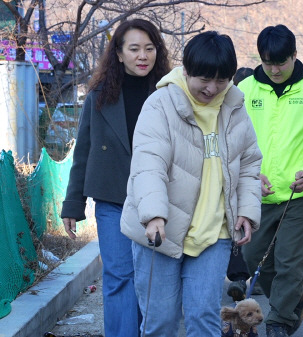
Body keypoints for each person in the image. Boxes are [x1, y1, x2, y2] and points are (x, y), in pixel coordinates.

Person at [119, 31, 262, 336]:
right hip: (161, 232)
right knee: (160, 322)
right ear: (185, 71)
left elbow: (250, 163)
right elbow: (148, 164)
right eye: (204, 80)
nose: (212, 89)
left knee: (203, 318)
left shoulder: (235, 107)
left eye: (221, 81)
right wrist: (154, 214)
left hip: (214, 234)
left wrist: (247, 211)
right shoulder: (160, 105)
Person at [61, 18, 170, 337]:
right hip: (113, 200)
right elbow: (84, 148)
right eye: (134, 48)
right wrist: (73, 203)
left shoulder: (170, 94)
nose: (143, 56)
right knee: (119, 277)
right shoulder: (100, 95)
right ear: (119, 54)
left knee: (151, 282)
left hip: (161, 203)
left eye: (150, 48)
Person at [238, 24, 303, 337]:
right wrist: (252, 174)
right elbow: (236, 137)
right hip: (257, 193)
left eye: (281, 62)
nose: (275, 69)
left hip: (300, 193)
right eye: (268, 62)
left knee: (290, 262)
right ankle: (295, 298)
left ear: (294, 55)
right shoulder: (246, 89)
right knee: (253, 258)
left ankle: (279, 321)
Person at [226, 66, 264, 301]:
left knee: (243, 230)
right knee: (247, 230)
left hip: (254, 174)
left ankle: (242, 277)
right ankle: (249, 279)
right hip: (249, 176)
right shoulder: (232, 108)